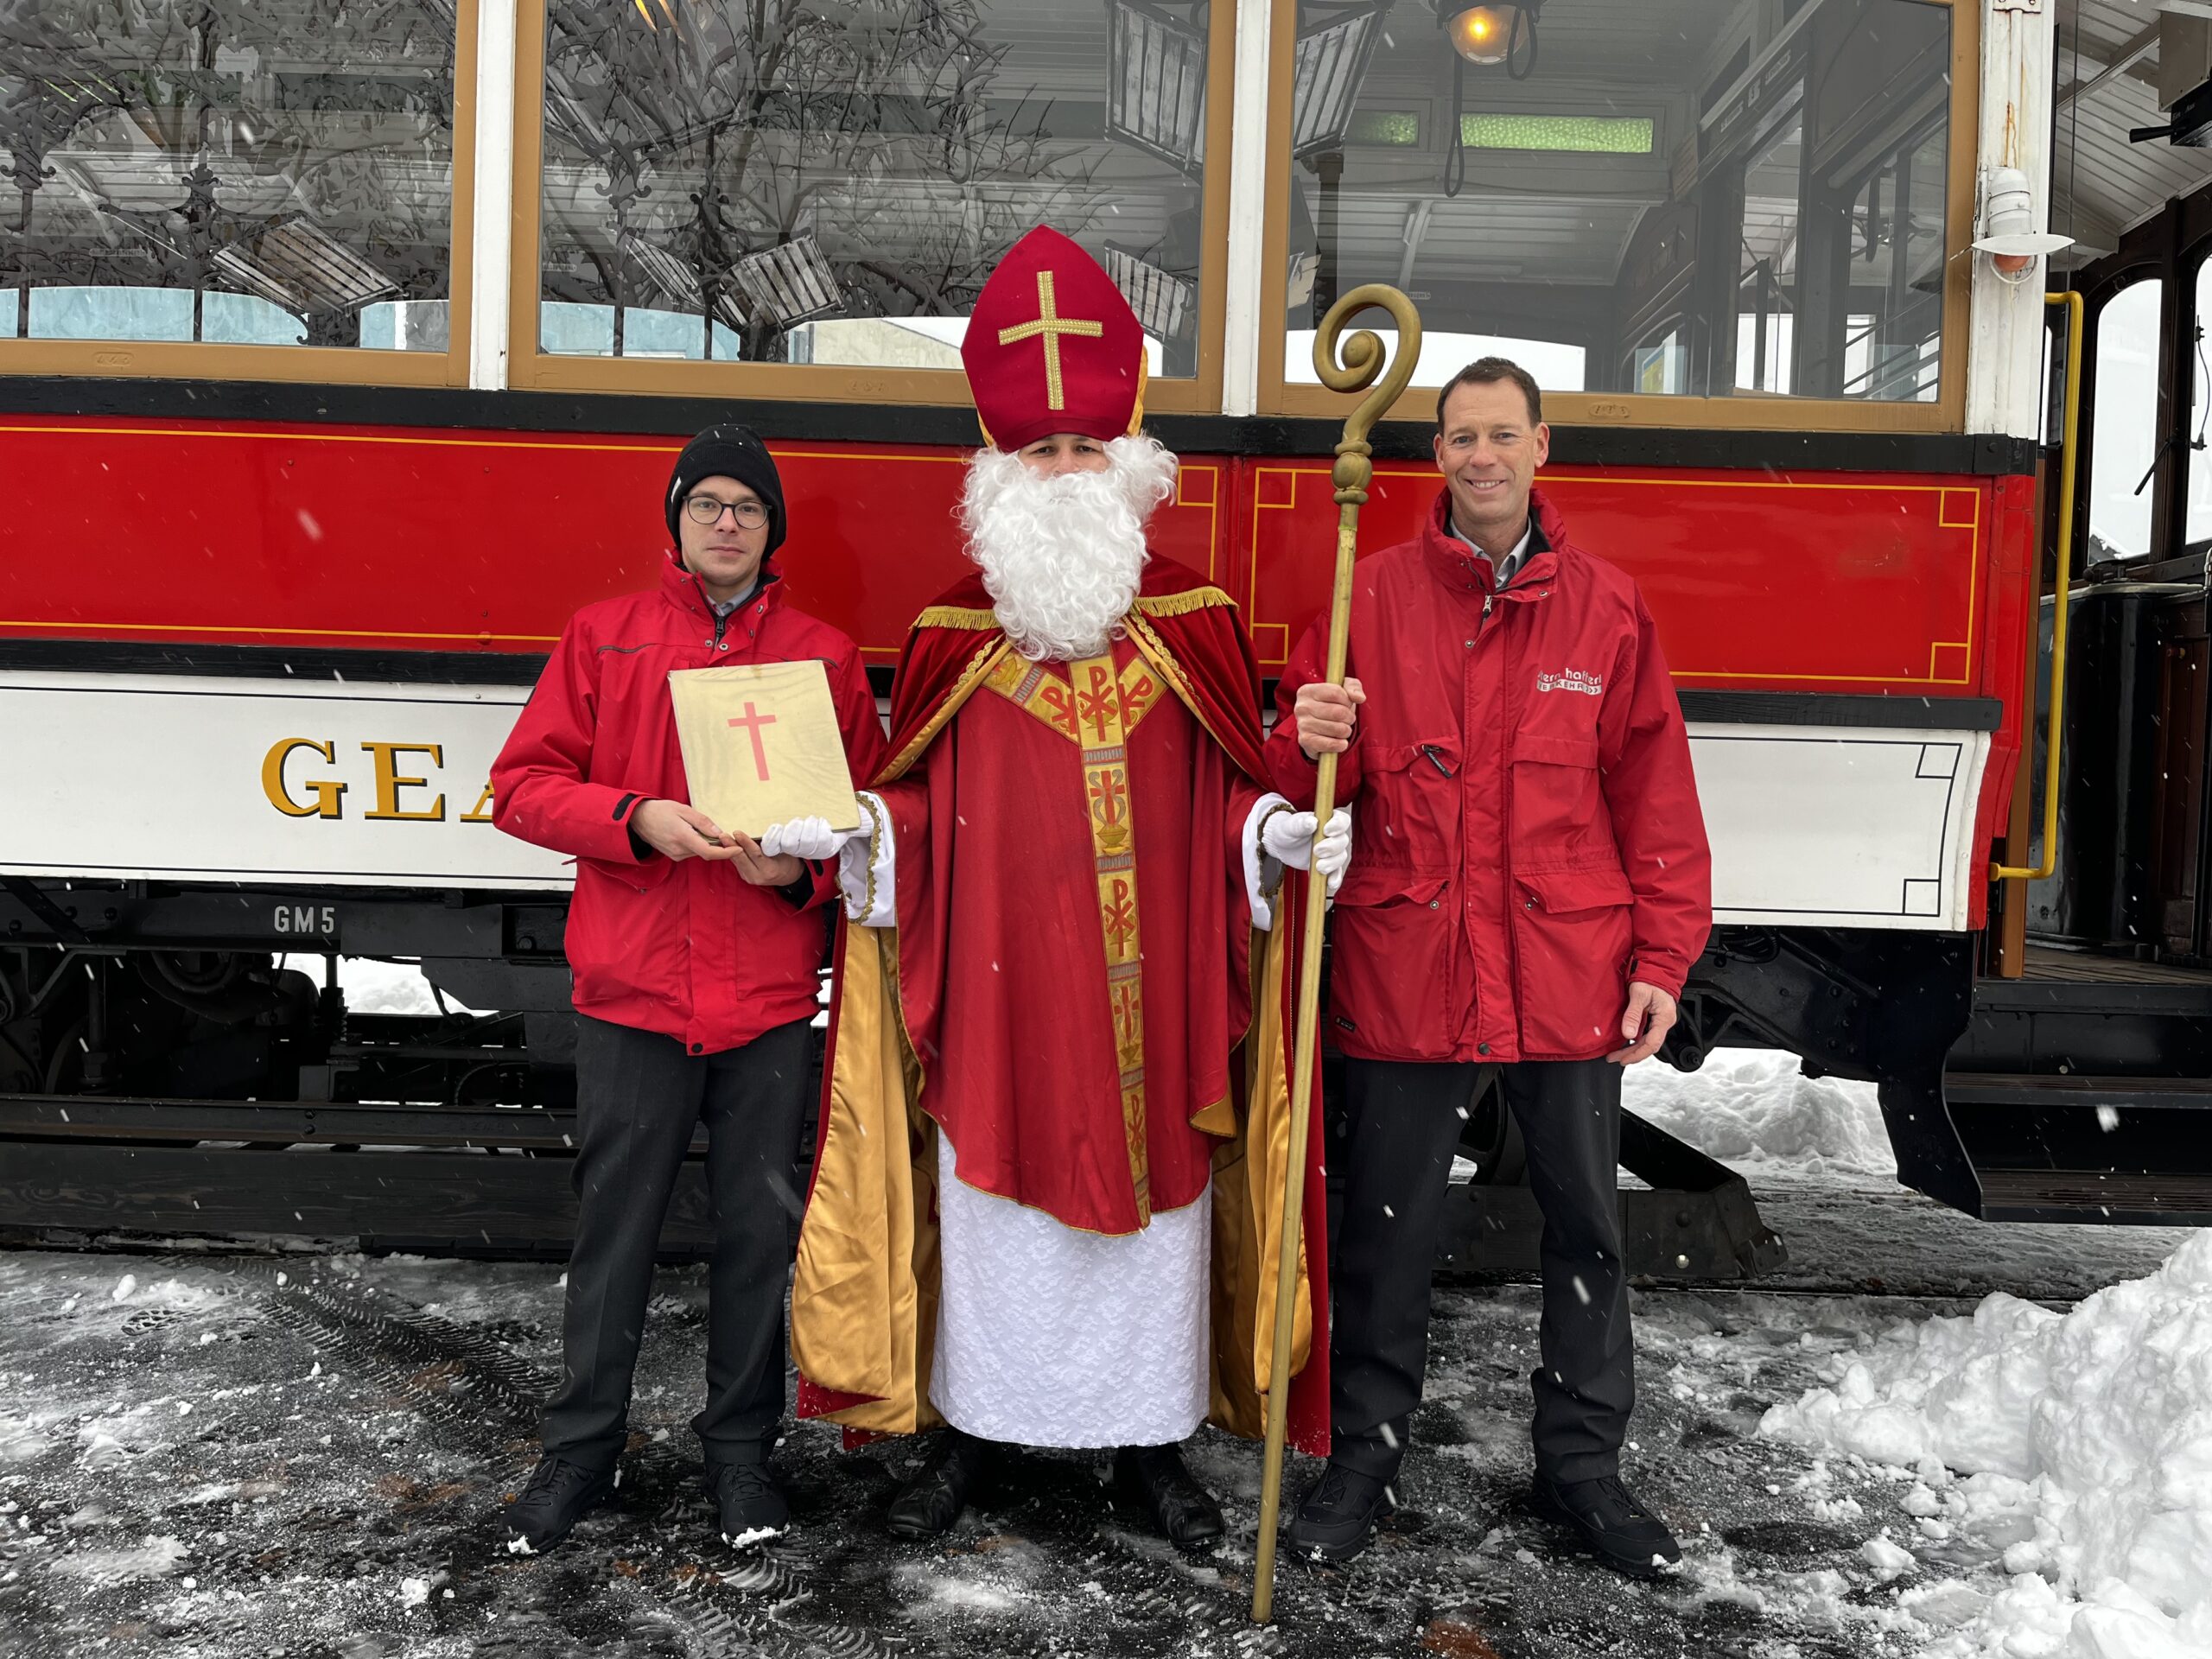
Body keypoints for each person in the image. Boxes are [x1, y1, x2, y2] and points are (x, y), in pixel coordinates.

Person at [787, 226, 1344, 1548]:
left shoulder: (1197, 625)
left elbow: (1226, 796)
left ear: (1128, 466)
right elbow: (916, 804)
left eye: (1086, 448)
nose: (1064, 469)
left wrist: (1269, 837)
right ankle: (976, 1436)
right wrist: (871, 823)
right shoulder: (949, 638)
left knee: (1152, 1226)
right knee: (991, 1217)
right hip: (1004, 1001)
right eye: (1040, 450)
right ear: (998, 474)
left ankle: (1150, 1450)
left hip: (1157, 1013)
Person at [1267, 359, 1712, 1576]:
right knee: (1387, 1234)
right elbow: (1299, 791)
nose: (1482, 457)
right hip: (1411, 969)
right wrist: (1300, 737)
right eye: (1461, 437)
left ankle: (1582, 1469)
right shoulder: (1368, 598)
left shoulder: (1607, 611)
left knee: (1587, 1233)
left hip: (1568, 973)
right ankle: (1362, 1454)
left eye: (1502, 436)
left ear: (1540, 449)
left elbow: (1654, 797)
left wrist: (1663, 956)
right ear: (1438, 456)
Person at [489, 424, 886, 1554]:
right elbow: (520, 788)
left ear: (771, 530)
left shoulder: (823, 657)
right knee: (614, 1234)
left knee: (760, 1234)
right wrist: (637, 821)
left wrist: (802, 865)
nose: (726, 522)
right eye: (706, 503)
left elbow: (864, 831)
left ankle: (740, 1459)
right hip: (635, 996)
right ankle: (581, 1454)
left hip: (763, 999)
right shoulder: (603, 641)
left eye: (747, 508)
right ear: (676, 519)